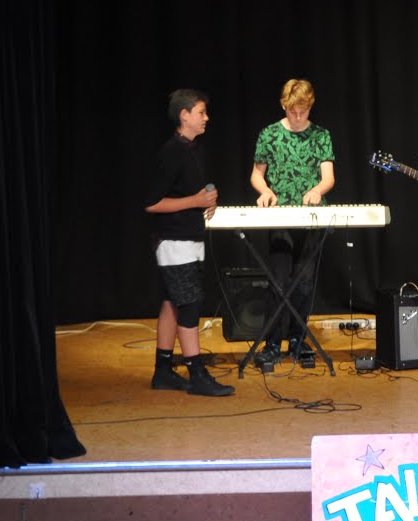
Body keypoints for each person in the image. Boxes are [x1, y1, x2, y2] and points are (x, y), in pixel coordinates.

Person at [144, 88, 234, 397]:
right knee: (189, 304)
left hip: (190, 238)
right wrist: (194, 201)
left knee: (171, 302)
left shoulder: (194, 149)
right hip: (174, 241)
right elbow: (151, 203)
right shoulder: (172, 151)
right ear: (184, 116)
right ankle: (196, 374)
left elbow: (191, 191)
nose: (206, 118)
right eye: (201, 112)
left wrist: (208, 199)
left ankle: (163, 371)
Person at [249, 78, 336, 370]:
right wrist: (265, 191)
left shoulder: (320, 135)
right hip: (281, 217)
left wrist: (317, 190)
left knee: (305, 282)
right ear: (283, 106)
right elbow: (257, 174)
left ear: (310, 107)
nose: (298, 117)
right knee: (278, 281)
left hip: (311, 218)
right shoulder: (270, 134)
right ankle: (273, 342)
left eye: (303, 111)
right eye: (292, 111)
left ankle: (298, 340)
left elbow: (328, 177)